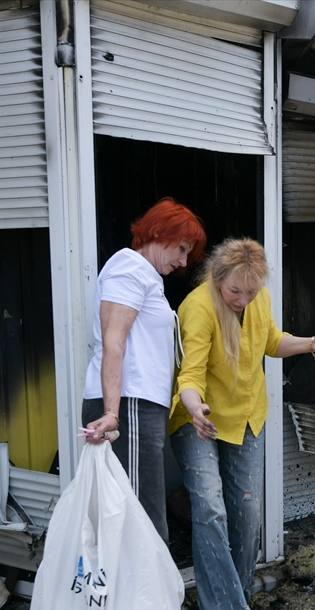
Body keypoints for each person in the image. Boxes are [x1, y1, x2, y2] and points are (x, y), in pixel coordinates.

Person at [170, 238, 315, 610]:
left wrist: (309, 344)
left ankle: (238, 603)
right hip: (201, 420)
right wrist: (196, 409)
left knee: (248, 515)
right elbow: (189, 375)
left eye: (251, 292)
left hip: (247, 419)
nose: (244, 299)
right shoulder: (197, 308)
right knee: (210, 509)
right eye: (236, 292)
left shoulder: (258, 297)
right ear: (217, 278)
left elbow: (271, 342)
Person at [82, 198, 206, 543]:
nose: (182, 262)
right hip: (129, 404)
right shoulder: (129, 267)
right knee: (142, 515)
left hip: (138, 406)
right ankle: (146, 594)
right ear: (157, 232)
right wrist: (111, 412)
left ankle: (142, 592)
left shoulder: (143, 275)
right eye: (181, 249)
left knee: (137, 511)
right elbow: (114, 341)